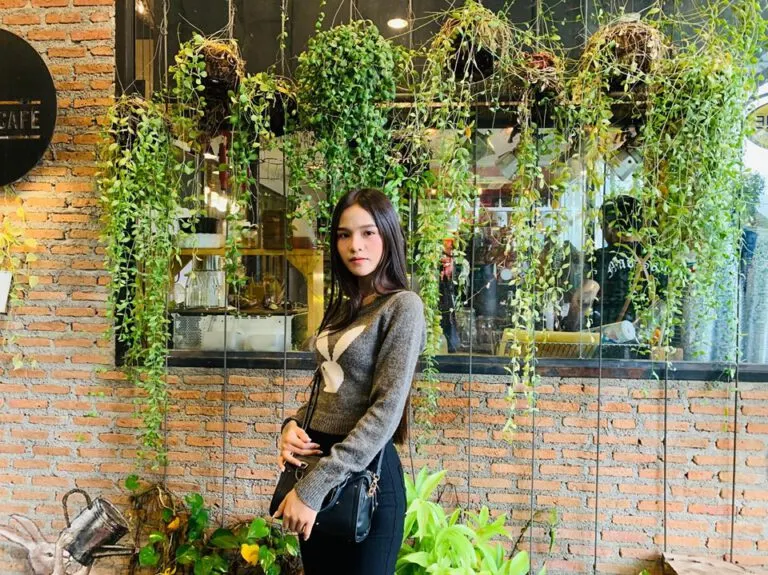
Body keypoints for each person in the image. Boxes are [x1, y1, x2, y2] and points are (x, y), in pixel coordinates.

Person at [273, 188, 426, 575]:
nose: (355, 245)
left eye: (367, 232)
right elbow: (330, 388)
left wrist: (313, 489)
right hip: (317, 465)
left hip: (364, 477)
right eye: (344, 235)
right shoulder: (344, 307)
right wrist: (292, 425)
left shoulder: (402, 307)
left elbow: (385, 411)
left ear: (388, 235)